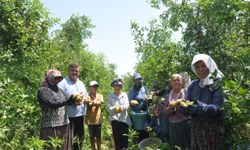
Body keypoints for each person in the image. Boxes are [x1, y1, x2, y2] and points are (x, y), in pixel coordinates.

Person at [186, 54, 225, 150]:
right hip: (196, 127)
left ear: (210, 65)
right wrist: (185, 108)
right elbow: (188, 102)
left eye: (203, 66)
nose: (200, 69)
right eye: (197, 67)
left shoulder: (217, 83)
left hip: (212, 128)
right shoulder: (193, 84)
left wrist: (201, 107)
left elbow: (218, 107)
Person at [37, 69, 73, 150]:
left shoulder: (60, 91)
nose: (57, 81)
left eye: (59, 79)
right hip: (51, 127)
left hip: (64, 124)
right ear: (49, 78)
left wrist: (73, 100)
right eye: (55, 78)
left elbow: (67, 102)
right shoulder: (43, 90)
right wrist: (67, 101)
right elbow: (52, 104)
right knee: (51, 147)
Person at [58, 64, 88, 150]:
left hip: (80, 115)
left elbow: (86, 96)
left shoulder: (81, 83)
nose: (75, 72)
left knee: (80, 138)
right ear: (68, 71)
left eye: (77, 71)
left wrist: (84, 98)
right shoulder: (62, 84)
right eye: (73, 70)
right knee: (69, 139)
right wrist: (72, 102)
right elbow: (59, 100)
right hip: (68, 116)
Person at [164, 74, 191, 149]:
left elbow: (192, 107)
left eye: (178, 80)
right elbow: (165, 112)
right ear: (171, 83)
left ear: (182, 82)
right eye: (174, 80)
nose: (176, 82)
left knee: (188, 145)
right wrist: (172, 108)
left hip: (186, 124)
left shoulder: (187, 93)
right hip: (174, 126)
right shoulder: (167, 96)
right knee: (176, 146)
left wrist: (185, 105)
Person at [107, 78, 131, 150]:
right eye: (116, 86)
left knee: (125, 138)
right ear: (113, 87)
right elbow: (108, 108)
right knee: (117, 139)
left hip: (124, 119)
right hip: (115, 120)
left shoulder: (124, 95)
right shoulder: (110, 96)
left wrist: (121, 108)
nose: (118, 87)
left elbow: (127, 104)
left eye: (119, 86)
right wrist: (114, 109)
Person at [128, 73, 149, 143]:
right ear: (134, 81)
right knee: (136, 132)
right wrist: (132, 102)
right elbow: (130, 101)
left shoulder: (145, 88)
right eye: (137, 80)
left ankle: (145, 145)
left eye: (140, 79)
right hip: (136, 115)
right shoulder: (132, 90)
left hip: (145, 113)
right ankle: (137, 145)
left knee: (145, 131)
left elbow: (149, 98)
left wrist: (148, 99)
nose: (139, 81)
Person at [85, 81, 103, 150]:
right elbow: (88, 103)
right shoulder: (87, 96)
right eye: (93, 87)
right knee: (92, 137)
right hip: (90, 120)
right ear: (90, 88)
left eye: (96, 86)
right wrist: (93, 102)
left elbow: (100, 103)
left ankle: (99, 148)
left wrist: (94, 102)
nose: (94, 88)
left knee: (98, 136)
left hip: (98, 120)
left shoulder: (100, 96)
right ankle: (93, 148)